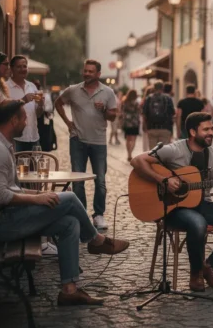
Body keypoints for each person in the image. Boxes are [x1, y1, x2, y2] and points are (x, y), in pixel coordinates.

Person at [0, 100, 129, 306]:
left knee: (70, 224)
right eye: (24, 117)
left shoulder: (1, 144)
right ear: (13, 120)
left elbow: (11, 189)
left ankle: (69, 290)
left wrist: (35, 194)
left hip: (7, 216)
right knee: (71, 198)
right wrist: (37, 198)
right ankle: (96, 240)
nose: (27, 121)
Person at [131, 112, 213, 291]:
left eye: (212, 128)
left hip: (203, 204)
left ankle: (209, 266)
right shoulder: (174, 150)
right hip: (174, 208)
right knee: (198, 223)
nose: (211, 132)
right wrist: (163, 180)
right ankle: (196, 273)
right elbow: (137, 160)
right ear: (193, 132)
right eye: (206, 129)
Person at [54, 59, 118, 230]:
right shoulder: (73, 90)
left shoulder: (108, 92)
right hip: (78, 141)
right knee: (78, 181)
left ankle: (99, 215)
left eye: (91, 71)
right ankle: (81, 214)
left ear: (98, 74)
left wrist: (104, 110)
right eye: (85, 71)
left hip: (98, 142)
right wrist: (68, 122)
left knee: (101, 180)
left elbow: (113, 116)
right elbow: (58, 103)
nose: (87, 74)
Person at [6, 56, 44, 152]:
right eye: (19, 67)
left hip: (34, 137)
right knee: (16, 167)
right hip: (15, 140)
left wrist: (40, 105)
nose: (22, 69)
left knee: (35, 167)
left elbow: (38, 114)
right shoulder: (6, 87)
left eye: (24, 66)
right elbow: (3, 112)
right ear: (12, 69)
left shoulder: (32, 86)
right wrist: (23, 100)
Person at [142, 81, 176, 148]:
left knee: (153, 151)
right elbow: (172, 113)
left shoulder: (149, 98)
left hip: (151, 127)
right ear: (162, 88)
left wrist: (144, 126)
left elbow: (144, 113)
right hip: (165, 128)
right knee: (164, 151)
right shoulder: (168, 98)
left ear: (154, 88)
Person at [33, 80, 56, 152]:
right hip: (33, 120)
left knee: (44, 133)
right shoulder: (30, 94)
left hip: (42, 119)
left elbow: (49, 108)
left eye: (37, 85)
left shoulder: (44, 95)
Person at [121, 89, 141, 162]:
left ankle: (128, 154)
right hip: (135, 123)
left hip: (127, 123)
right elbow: (139, 112)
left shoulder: (125, 102)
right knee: (133, 139)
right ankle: (130, 153)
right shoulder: (136, 103)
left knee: (128, 139)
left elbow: (122, 112)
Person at [140, 86, 154, 152]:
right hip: (153, 123)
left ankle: (145, 153)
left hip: (146, 122)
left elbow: (142, 114)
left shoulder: (144, 101)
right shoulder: (154, 100)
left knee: (145, 140)